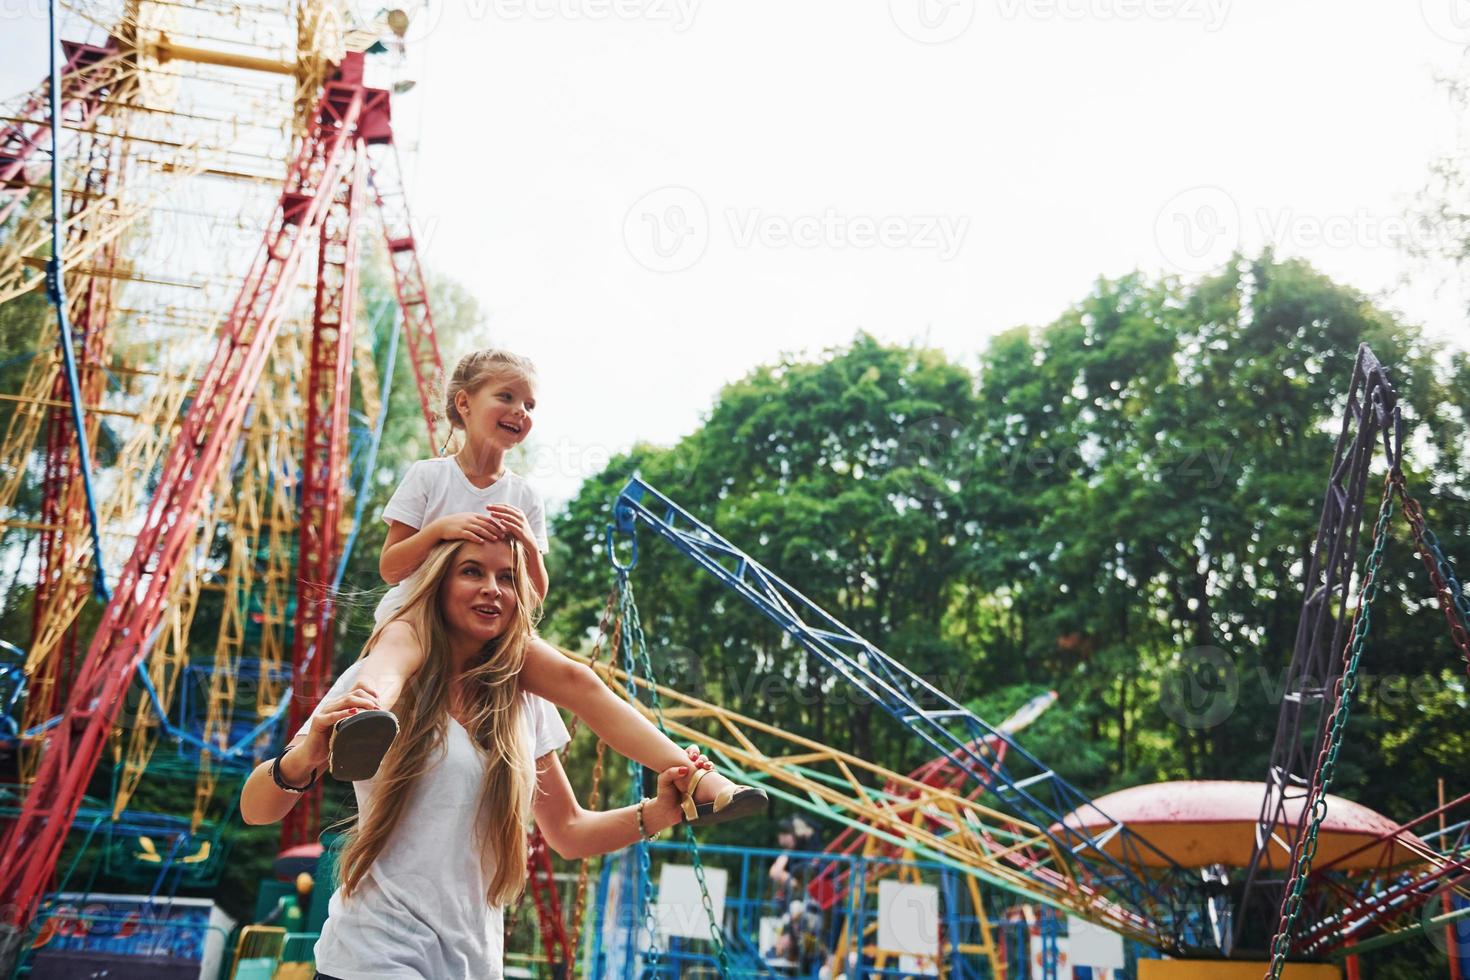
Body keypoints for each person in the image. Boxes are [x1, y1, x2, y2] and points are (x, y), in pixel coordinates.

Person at [240, 535, 709, 979]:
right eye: (472, 572)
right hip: (373, 955)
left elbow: (568, 831)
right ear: (439, 583)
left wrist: (661, 811)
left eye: (507, 577)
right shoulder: (378, 683)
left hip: (472, 963)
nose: (492, 589)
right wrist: (302, 759)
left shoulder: (524, 702)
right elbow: (255, 808)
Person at [335, 347, 762, 826]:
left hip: (492, 629)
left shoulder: (523, 495)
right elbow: (392, 567)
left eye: (530, 405)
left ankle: (697, 778)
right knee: (393, 653)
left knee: (579, 680)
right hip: (419, 615)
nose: (521, 411)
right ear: (464, 404)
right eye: (507, 397)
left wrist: (526, 545)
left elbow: (535, 593)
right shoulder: (428, 477)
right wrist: (438, 531)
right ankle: (361, 720)